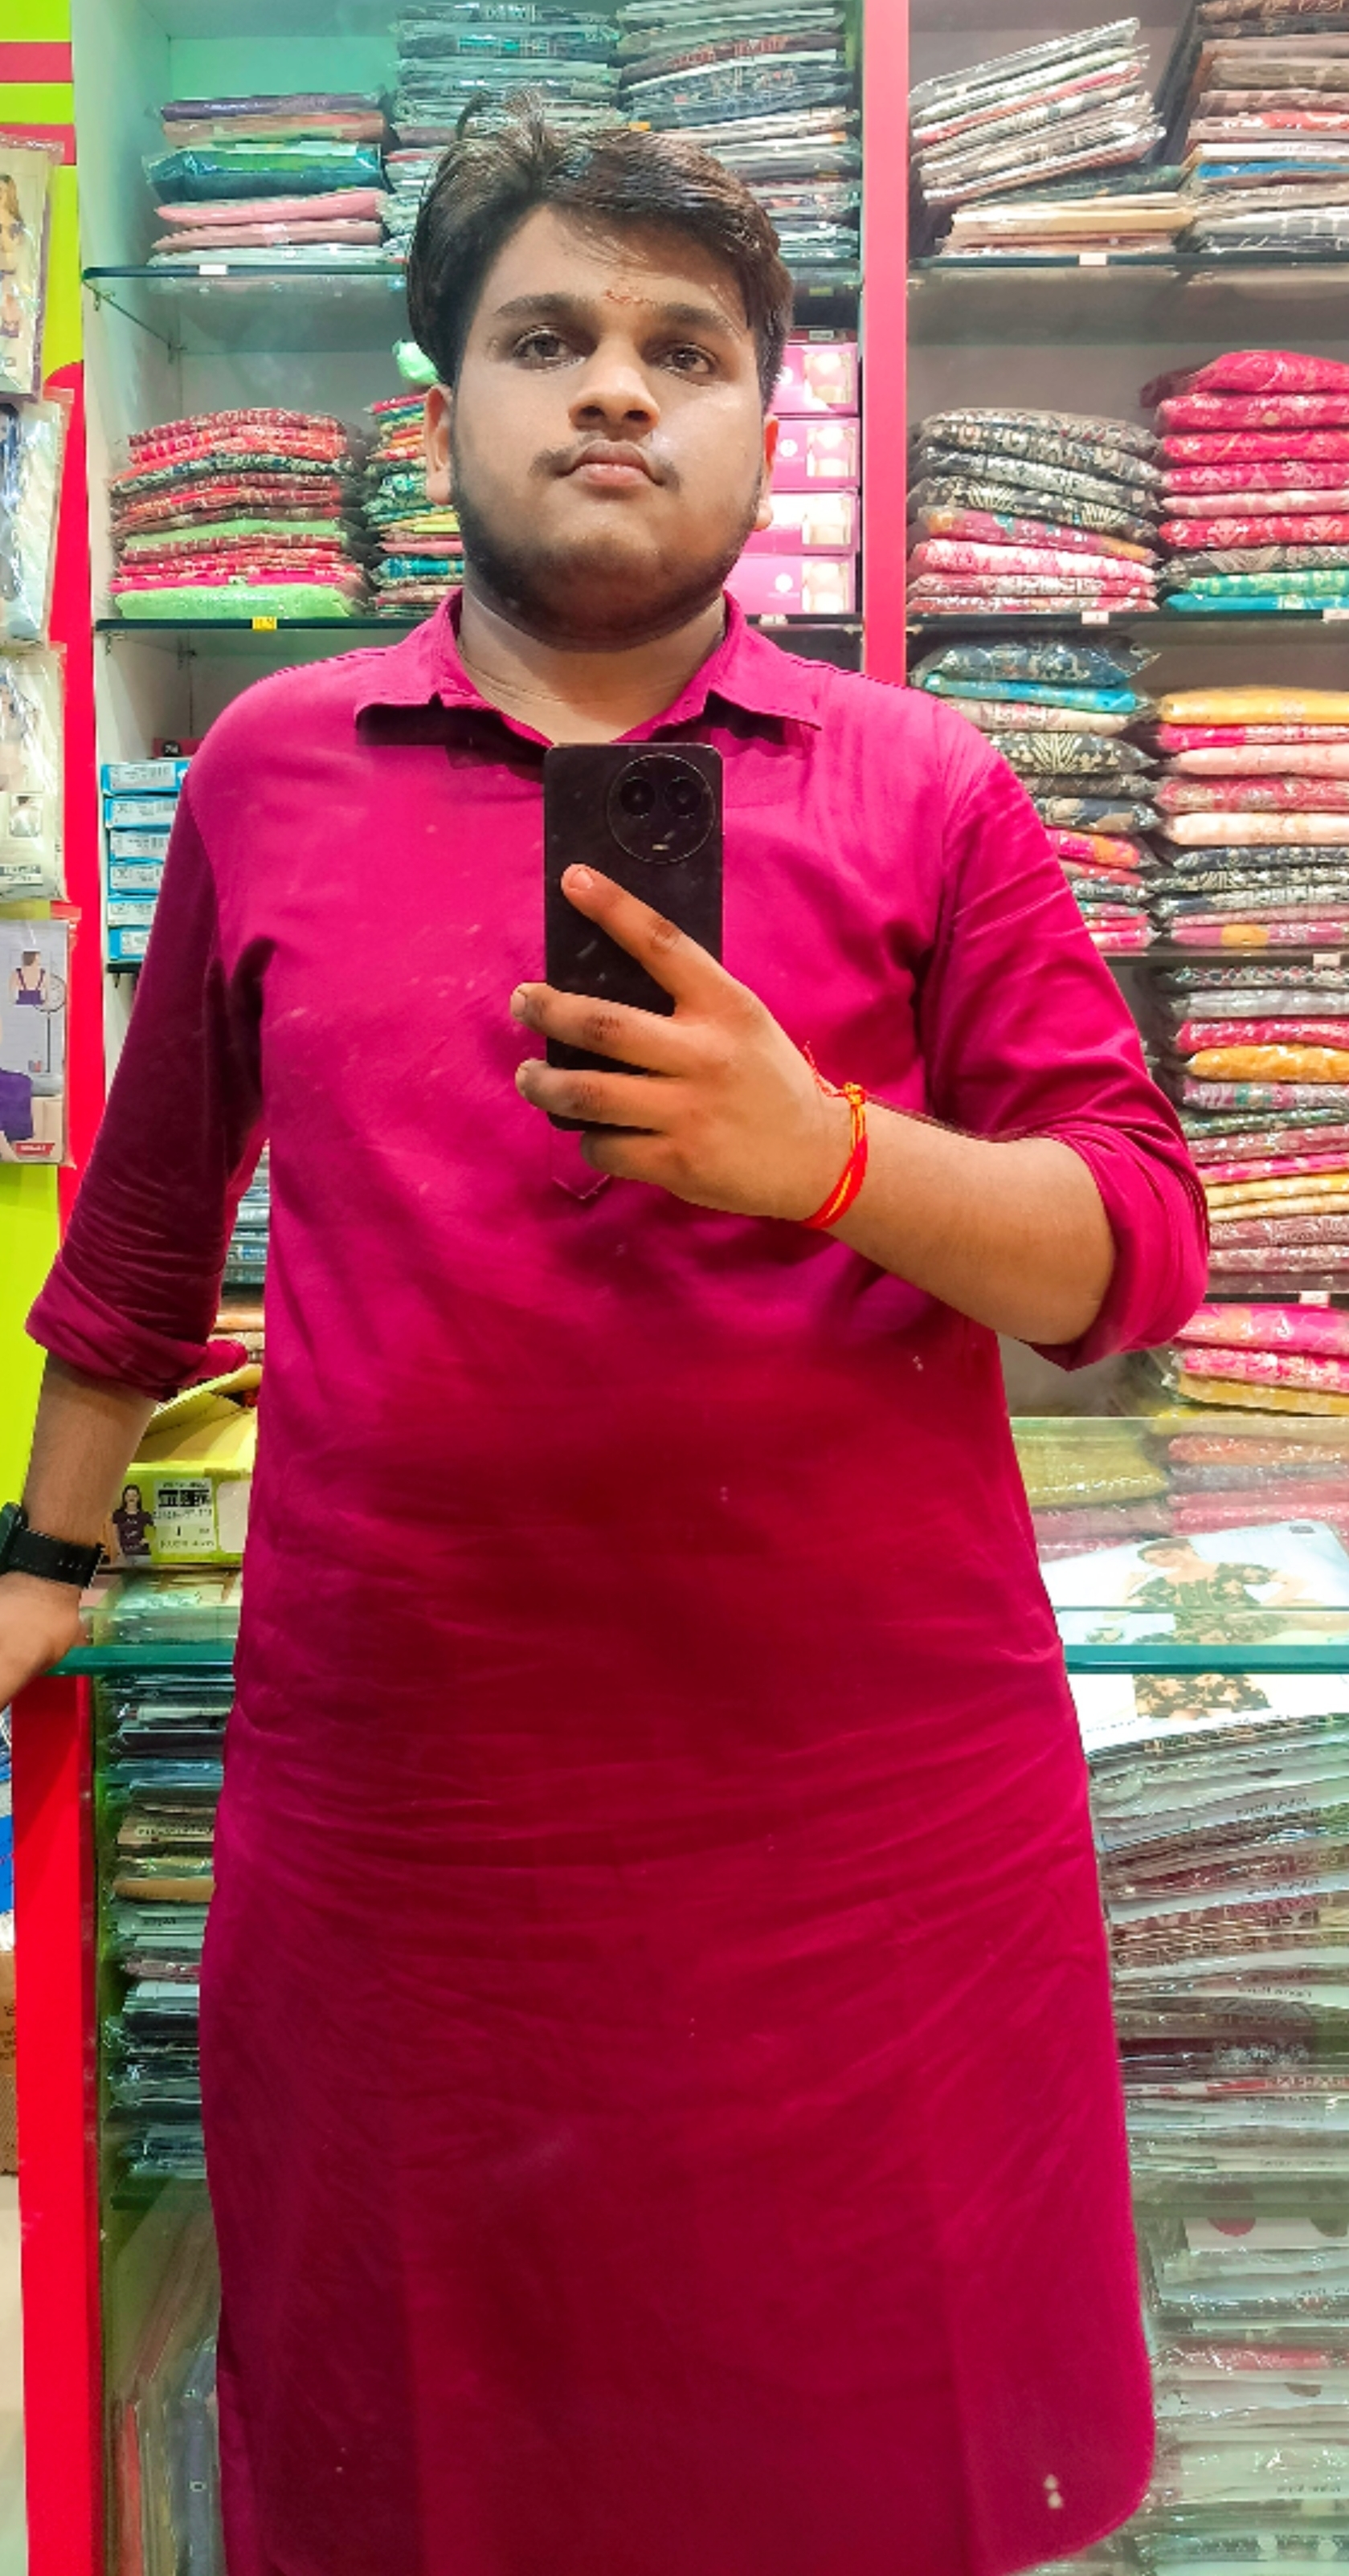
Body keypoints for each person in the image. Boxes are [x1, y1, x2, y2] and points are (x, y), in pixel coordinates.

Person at [0, 112, 1208, 2576]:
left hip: (861, 1842)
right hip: (413, 1836)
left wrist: (826, 1156)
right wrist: (39, 1550)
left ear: (768, 422)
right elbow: (145, 1226)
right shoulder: (274, 769)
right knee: (433, 2461)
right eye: (548, 336)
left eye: (688, 349)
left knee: (864, 2462)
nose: (619, 391)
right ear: (441, 394)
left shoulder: (927, 789)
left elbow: (1136, 1255)